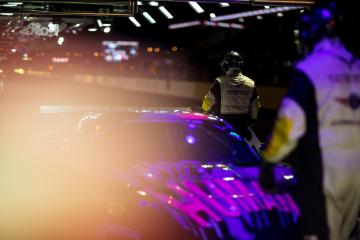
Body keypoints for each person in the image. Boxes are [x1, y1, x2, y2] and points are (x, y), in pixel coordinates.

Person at [260, 2, 360, 240]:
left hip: (324, 173)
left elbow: (288, 125)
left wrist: (269, 161)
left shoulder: (310, 69)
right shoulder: (356, 66)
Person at [202, 51, 260, 139]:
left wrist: (204, 111)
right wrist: (252, 121)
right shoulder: (251, 83)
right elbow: (255, 106)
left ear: (225, 65)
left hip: (224, 124)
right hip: (242, 125)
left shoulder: (220, 82)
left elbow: (208, 102)